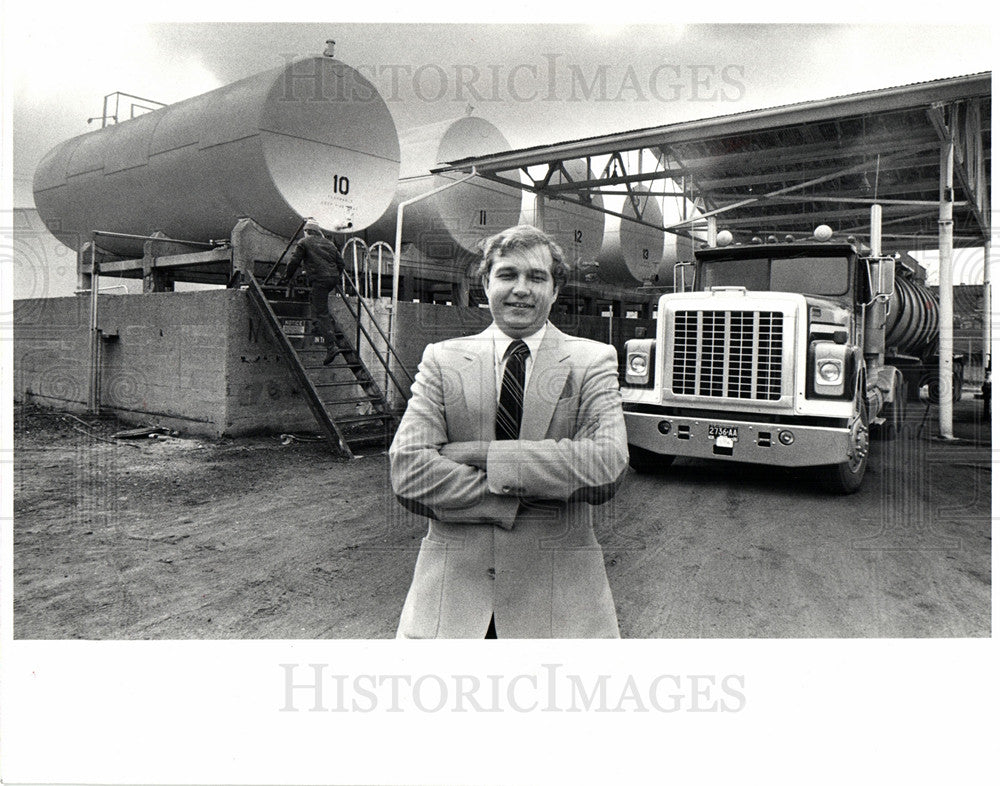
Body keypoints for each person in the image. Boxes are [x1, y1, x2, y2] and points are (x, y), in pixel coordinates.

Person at [389, 224, 628, 639]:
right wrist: (521, 496)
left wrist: (482, 454)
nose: (521, 289)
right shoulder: (442, 361)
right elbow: (409, 472)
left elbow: (606, 466)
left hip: (559, 609)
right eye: (507, 275)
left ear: (555, 290)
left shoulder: (592, 361)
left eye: (536, 277)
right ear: (485, 283)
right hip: (451, 610)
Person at [278, 221, 346, 366]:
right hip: (331, 280)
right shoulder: (329, 244)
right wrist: (334, 276)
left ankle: (331, 346)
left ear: (307, 231)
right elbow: (342, 264)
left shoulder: (304, 242)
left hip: (320, 280)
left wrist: (286, 278)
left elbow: (294, 261)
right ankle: (316, 326)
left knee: (321, 312)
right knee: (315, 301)